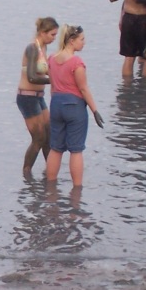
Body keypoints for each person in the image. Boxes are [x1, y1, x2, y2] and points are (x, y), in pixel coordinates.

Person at [46, 25, 104, 187]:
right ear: (71, 41)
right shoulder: (76, 63)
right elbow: (83, 88)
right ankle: (77, 190)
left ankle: (50, 188)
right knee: (76, 150)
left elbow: (52, 86)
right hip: (74, 106)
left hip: (56, 103)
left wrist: (55, 105)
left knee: (56, 148)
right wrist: (95, 111)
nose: (84, 43)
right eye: (82, 39)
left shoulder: (51, 59)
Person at [17, 17, 59, 175]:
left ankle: (51, 171)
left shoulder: (44, 48)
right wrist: (54, 81)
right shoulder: (32, 48)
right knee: (39, 138)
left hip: (38, 97)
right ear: (43, 32)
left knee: (48, 135)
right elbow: (31, 77)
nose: (54, 38)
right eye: (52, 35)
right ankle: (27, 171)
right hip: (27, 98)